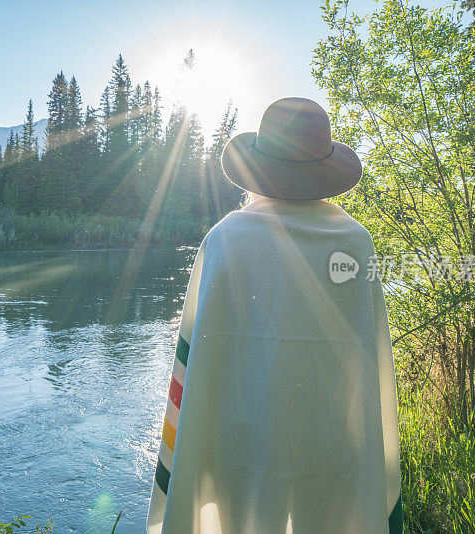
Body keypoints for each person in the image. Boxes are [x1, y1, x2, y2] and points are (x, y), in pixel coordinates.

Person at [146, 97, 403, 534]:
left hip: (238, 439)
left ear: (259, 172)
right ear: (325, 172)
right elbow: (368, 353)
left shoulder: (225, 239)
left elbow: (199, 359)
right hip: (332, 439)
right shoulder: (356, 244)